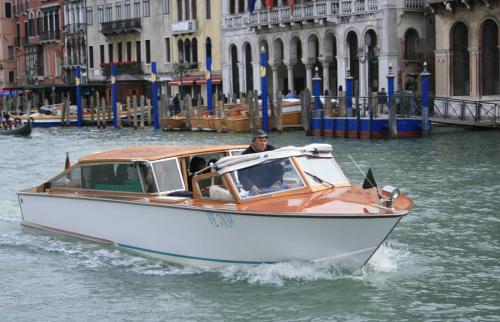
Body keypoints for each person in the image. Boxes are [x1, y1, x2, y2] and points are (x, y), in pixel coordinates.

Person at [239, 130, 282, 195]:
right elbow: (242, 175)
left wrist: (277, 181)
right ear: (253, 142)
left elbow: (279, 167)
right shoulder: (245, 155)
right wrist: (251, 186)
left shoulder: (272, 150)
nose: (263, 143)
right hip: (256, 188)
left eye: (265, 141)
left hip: (273, 186)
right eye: (261, 141)